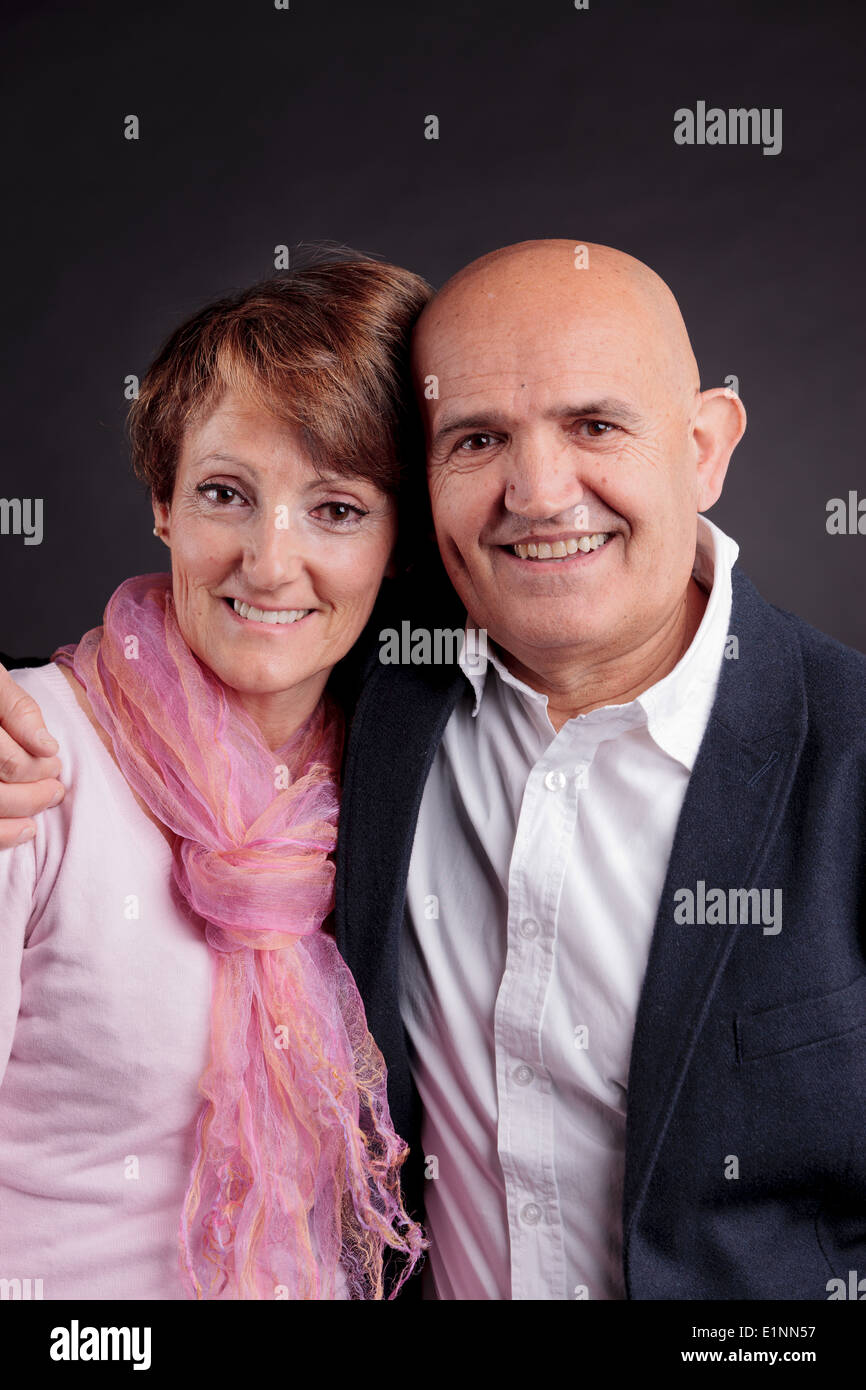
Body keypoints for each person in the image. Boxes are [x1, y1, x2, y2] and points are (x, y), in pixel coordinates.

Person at [5, 239, 866, 1301]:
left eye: (593, 424)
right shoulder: (376, 693)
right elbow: (201, 651)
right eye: (477, 438)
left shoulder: (845, 751)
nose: (540, 494)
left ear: (701, 446)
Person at [0, 255, 432, 1300]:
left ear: (397, 538)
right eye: (225, 494)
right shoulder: (30, 762)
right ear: (161, 502)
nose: (270, 562)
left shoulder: (407, 771)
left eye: (335, 509)